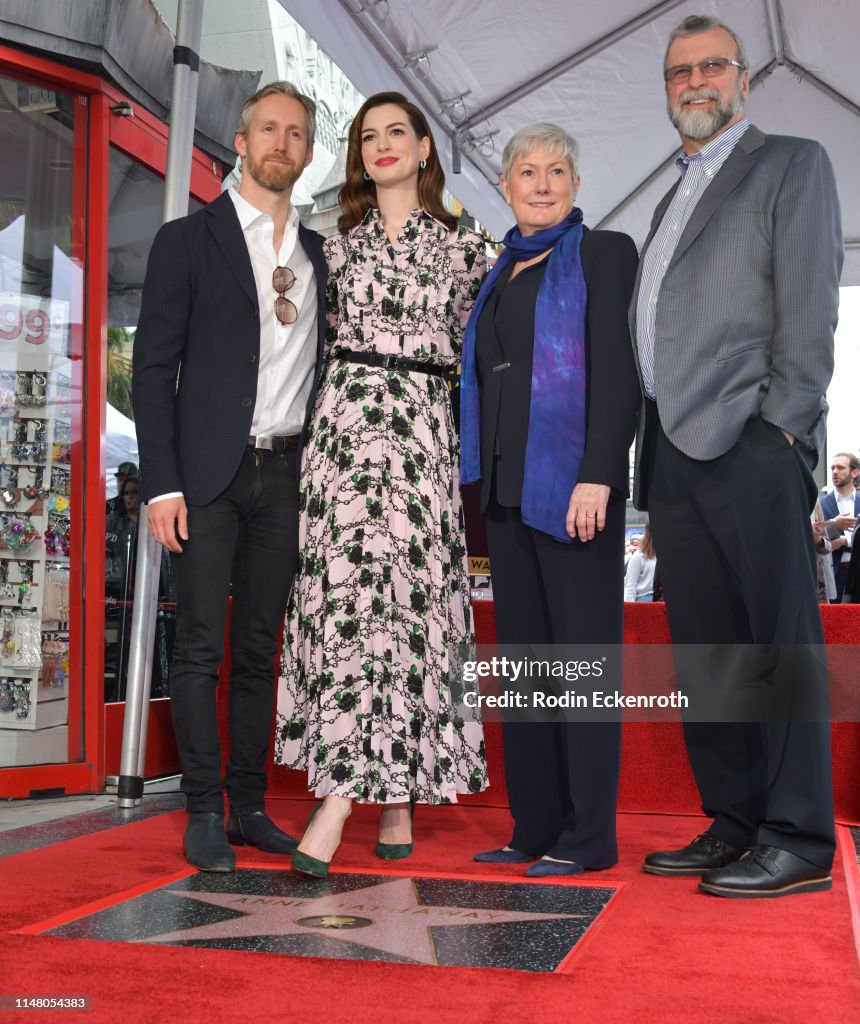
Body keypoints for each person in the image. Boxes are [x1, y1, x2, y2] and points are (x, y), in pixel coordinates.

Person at [632, 15, 842, 897]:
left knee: (776, 645)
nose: (694, 82)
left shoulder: (790, 163)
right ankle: (737, 821)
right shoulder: (668, 193)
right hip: (675, 451)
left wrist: (783, 428)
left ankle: (797, 836)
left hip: (752, 439)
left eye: (711, 65)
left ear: (744, 79)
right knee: (710, 654)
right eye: (679, 72)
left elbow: (808, 299)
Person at [274, 92, 488, 877]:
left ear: (426, 149)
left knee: (409, 611)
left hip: (424, 442)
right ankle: (365, 797)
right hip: (343, 445)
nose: (384, 145)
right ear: (358, 155)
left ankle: (368, 796)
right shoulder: (332, 248)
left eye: (399, 132)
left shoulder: (471, 253)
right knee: (350, 611)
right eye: (369, 136)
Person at [132, 82, 327, 872]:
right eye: (267, 130)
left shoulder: (320, 256)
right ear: (240, 142)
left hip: (285, 476)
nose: (281, 143)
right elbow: (151, 373)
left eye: (296, 134)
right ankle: (203, 808)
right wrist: (161, 484)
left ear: (308, 154)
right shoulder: (187, 241)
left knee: (259, 649)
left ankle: (249, 805)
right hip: (206, 477)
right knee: (201, 647)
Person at [459, 122, 640, 877]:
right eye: (526, 171)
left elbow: (617, 374)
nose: (540, 183)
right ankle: (533, 827)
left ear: (574, 183)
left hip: (575, 495)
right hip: (507, 497)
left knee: (582, 669)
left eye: (556, 170)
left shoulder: (602, 254)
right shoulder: (498, 269)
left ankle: (589, 837)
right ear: (504, 187)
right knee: (529, 668)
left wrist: (598, 471)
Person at [819, 453, 860, 601]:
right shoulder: (820, 504)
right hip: (832, 574)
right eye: (832, 468)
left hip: (857, 574)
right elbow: (814, 537)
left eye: (841, 467)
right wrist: (833, 525)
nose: (835, 471)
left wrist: (844, 540)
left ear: (855, 472)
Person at [624, 520, 656, 601]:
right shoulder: (639, 555)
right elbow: (631, 584)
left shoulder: (670, 555)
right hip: (645, 598)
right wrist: (630, 610)